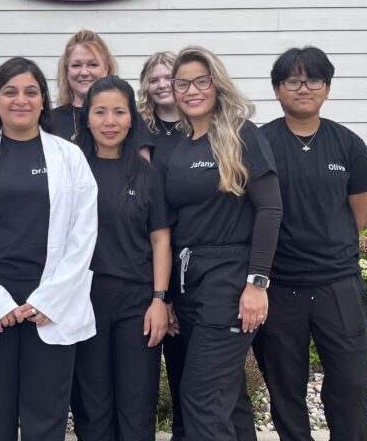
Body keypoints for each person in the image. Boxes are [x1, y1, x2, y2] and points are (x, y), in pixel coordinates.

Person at [0, 57, 98, 441]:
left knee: (45, 421)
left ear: (43, 101)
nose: (21, 100)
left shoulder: (69, 157)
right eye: (10, 92)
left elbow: (84, 234)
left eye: (31, 92)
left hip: (50, 307)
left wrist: (50, 298)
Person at [253, 47, 367, 441]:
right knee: (284, 387)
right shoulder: (259, 142)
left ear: (326, 87)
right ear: (277, 89)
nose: (303, 88)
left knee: (350, 384)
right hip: (279, 287)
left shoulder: (347, 144)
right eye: (293, 80)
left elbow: (360, 213)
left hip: (337, 284)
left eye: (313, 80)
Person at [155, 46, 282, 441]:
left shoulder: (241, 135)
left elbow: (270, 210)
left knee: (201, 395)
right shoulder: (175, 146)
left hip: (229, 280)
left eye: (201, 81)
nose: (191, 90)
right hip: (188, 281)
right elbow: (171, 227)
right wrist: (169, 296)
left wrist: (256, 283)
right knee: (227, 396)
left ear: (217, 85)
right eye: (182, 84)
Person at [70, 76, 172, 441]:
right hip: (84, 302)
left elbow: (161, 240)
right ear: (86, 119)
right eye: (100, 112)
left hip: (136, 304)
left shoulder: (146, 174)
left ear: (132, 119)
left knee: (136, 403)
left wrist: (159, 300)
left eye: (118, 112)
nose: (109, 121)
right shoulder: (72, 171)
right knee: (92, 404)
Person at [137, 51, 188, 441]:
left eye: (167, 77)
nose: (161, 84)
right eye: (153, 79)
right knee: (165, 351)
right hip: (155, 250)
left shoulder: (200, 126)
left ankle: (189, 431)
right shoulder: (141, 131)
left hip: (197, 251)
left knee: (194, 362)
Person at [51, 30, 119, 142]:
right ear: (67, 71)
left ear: (106, 68)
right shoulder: (50, 122)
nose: (84, 72)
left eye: (93, 65)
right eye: (76, 65)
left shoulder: (126, 119)